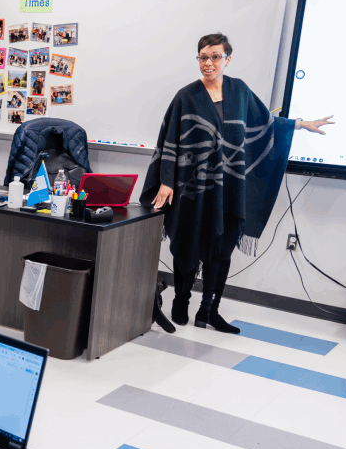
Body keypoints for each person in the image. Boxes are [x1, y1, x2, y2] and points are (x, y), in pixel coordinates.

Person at [140, 33, 334, 333]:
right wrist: (166, 182)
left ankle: (209, 311)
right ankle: (181, 300)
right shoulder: (185, 97)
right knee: (186, 245)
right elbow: (169, 141)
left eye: (215, 57)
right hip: (192, 190)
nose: (208, 63)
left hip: (229, 190)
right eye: (203, 57)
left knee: (221, 251)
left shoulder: (240, 91)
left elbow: (265, 123)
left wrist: (301, 124)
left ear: (227, 59)